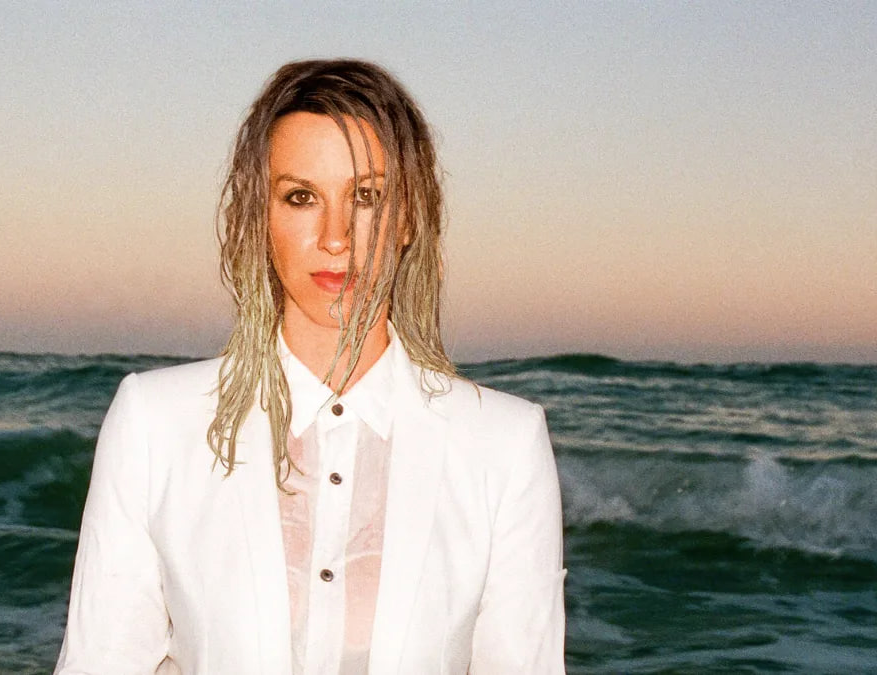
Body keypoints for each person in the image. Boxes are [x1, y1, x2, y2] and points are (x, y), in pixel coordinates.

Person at [54, 59, 565, 674]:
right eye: (301, 197)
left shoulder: (504, 445)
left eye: (367, 197)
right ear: (260, 216)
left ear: (408, 217)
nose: (335, 236)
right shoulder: (154, 423)